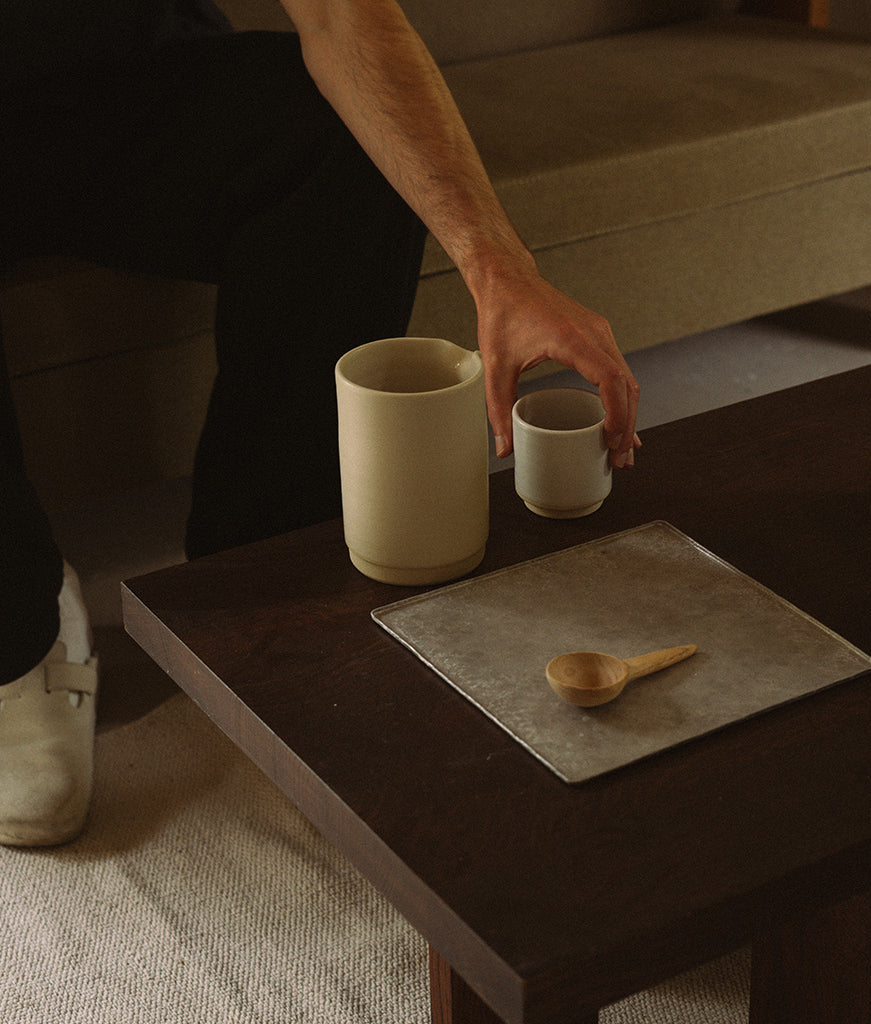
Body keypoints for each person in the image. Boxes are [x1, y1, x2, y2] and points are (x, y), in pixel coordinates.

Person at [0, 0, 641, 846]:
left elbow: (343, 16)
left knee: (340, 131)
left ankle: (262, 587)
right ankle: (16, 626)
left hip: (122, 77)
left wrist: (499, 268)